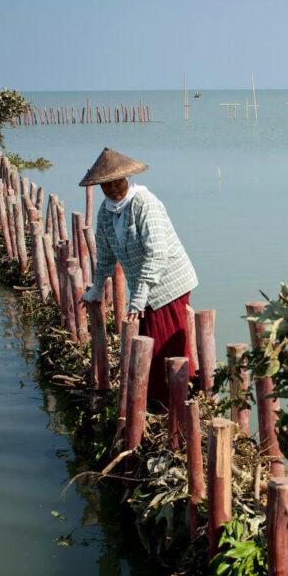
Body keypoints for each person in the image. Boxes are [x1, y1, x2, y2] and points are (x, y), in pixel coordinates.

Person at [79, 148, 198, 402]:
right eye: (105, 184)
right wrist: (97, 289)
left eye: (116, 181)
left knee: (163, 348)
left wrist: (138, 298)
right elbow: (106, 256)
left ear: (127, 179)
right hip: (144, 288)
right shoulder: (106, 211)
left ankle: (171, 401)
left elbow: (156, 253)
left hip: (169, 283)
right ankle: (157, 399)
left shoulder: (144, 203)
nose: (112, 188)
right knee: (149, 344)